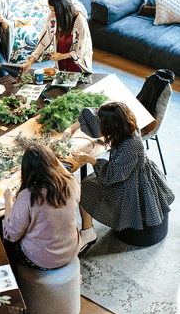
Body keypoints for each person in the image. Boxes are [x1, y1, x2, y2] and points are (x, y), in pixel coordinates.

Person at [63, 101, 175, 250]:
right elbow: (94, 113)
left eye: (102, 125)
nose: (98, 126)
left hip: (131, 182)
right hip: (124, 171)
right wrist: (71, 128)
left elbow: (111, 176)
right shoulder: (124, 121)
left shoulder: (131, 146)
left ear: (112, 126)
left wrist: (89, 159)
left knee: (84, 189)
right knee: (88, 183)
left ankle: (88, 232)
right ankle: (88, 230)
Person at [3, 144, 82, 270]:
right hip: (71, 250)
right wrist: (49, 157)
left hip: (42, 261)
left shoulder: (27, 196)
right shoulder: (71, 183)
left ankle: (16, 279)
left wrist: (8, 200)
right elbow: (65, 173)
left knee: (8, 242)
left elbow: (11, 234)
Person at [23, 0, 93, 73]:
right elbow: (44, 39)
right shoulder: (53, 18)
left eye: (53, 10)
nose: (51, 13)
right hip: (60, 63)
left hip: (77, 65)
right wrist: (31, 60)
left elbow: (81, 51)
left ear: (61, 9)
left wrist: (62, 56)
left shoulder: (79, 22)